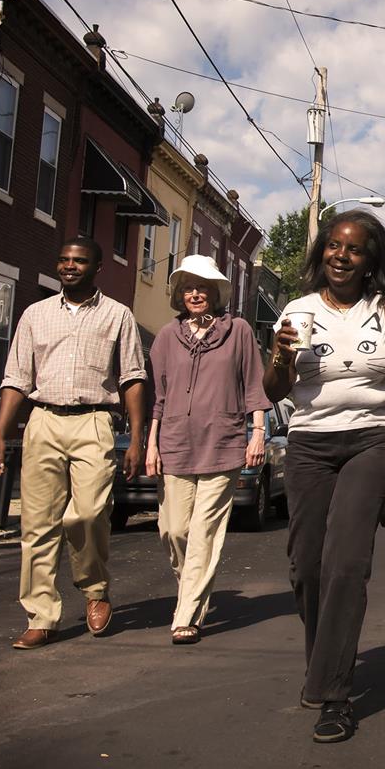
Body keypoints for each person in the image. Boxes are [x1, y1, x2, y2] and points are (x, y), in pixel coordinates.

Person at [265, 209, 385, 744]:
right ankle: (324, 662)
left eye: (354, 249)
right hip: (309, 444)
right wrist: (282, 356)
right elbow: (272, 392)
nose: (341, 255)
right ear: (321, 252)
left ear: (369, 258)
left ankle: (334, 694)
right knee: (307, 567)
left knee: (347, 564)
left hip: (370, 440)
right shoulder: (298, 310)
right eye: (334, 246)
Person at [0, 237, 148, 650]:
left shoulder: (118, 315)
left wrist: (136, 438)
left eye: (79, 261)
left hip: (94, 421)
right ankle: (41, 616)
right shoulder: (35, 315)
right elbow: (17, 378)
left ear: (97, 268)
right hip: (42, 421)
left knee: (90, 514)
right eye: (63, 260)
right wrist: (0, 433)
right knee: (37, 525)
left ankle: (95, 589)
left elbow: (132, 377)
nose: (69, 267)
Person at [143, 255, 270, 645]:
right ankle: (192, 591)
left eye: (202, 288)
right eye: (187, 288)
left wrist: (258, 432)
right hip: (175, 442)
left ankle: (187, 616)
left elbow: (253, 385)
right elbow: (159, 397)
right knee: (174, 529)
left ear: (216, 293)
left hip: (223, 441)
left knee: (203, 531)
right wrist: (152, 443)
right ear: (180, 294)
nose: (195, 294)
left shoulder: (240, 331)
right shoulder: (167, 336)